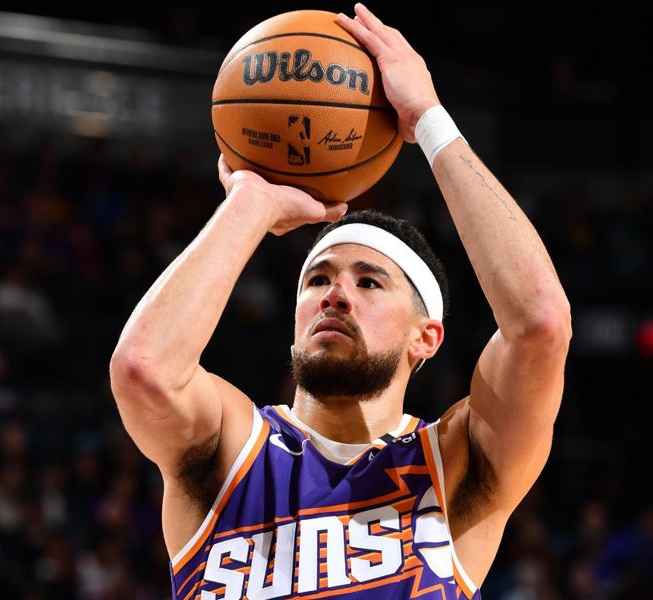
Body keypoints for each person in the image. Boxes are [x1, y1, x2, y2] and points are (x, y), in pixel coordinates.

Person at [109, 3, 571, 599]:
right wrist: (249, 202)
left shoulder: (456, 467)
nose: (336, 294)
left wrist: (429, 119)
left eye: (369, 282)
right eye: (317, 279)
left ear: (424, 336)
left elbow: (540, 323)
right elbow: (143, 369)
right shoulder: (230, 448)